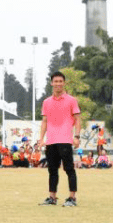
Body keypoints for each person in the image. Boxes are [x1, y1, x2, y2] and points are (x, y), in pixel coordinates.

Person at [35, 71, 81, 207]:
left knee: (69, 169)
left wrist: (77, 137)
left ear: (64, 83)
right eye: (55, 81)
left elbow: (78, 119)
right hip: (51, 140)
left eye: (60, 81)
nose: (58, 84)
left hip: (66, 139)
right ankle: (52, 197)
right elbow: (44, 121)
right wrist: (41, 139)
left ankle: (72, 198)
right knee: (52, 170)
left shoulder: (71, 100)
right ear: (51, 83)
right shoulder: (46, 102)